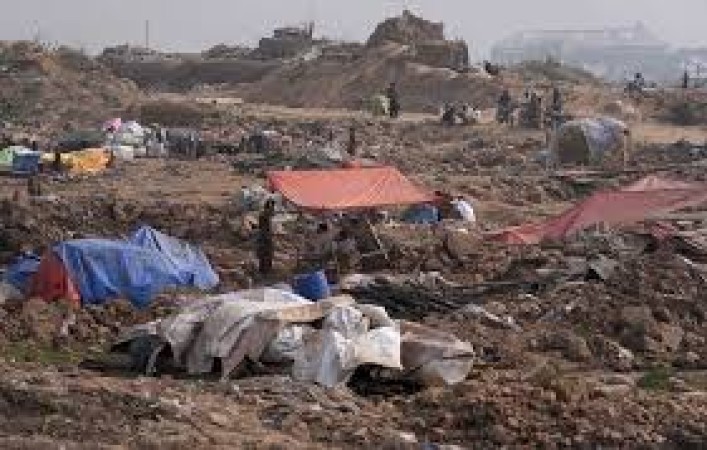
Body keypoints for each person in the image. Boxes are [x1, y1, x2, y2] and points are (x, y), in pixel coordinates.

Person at [256, 199, 276, 276]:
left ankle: (265, 271)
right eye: (272, 208)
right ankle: (265, 272)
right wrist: (269, 237)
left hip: (264, 237)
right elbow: (264, 229)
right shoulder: (264, 215)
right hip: (264, 238)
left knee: (265, 255)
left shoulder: (265, 215)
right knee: (265, 255)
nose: (273, 211)